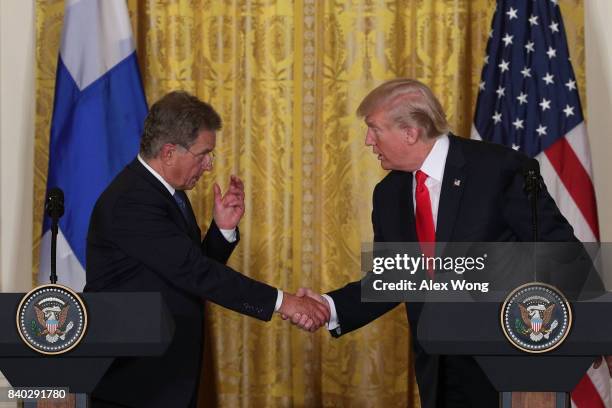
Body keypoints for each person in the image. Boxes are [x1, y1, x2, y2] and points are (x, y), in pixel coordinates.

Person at [288, 78, 602, 408]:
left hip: (514, 366)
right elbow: (394, 279)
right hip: (440, 374)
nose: (368, 140)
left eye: (374, 129)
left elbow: (560, 251)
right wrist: (329, 307)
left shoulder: (500, 169)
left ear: (410, 132)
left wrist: (596, 328)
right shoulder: (389, 195)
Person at [85, 91, 329, 408]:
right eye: (203, 155)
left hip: (163, 379)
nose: (209, 166)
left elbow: (182, 271)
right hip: (131, 384)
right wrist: (284, 303)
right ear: (170, 152)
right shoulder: (133, 200)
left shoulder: (166, 193)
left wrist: (222, 229)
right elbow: (194, 272)